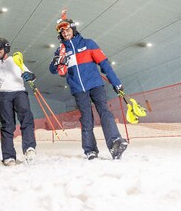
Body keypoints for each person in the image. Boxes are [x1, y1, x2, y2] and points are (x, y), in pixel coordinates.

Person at [49, 14, 128, 160]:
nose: (65, 33)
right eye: (62, 32)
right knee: (86, 119)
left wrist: (115, 82)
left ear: (73, 29)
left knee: (104, 112)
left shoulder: (88, 43)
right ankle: (90, 150)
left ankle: (115, 143)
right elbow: (53, 70)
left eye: (67, 30)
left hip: (95, 84)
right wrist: (58, 62)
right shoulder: (61, 50)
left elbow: (104, 64)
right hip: (78, 89)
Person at [0, 37, 37, 166]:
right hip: (2, 94)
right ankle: (9, 156)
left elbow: (30, 73)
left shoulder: (15, 60)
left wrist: (30, 76)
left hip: (19, 92)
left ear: (6, 48)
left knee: (26, 118)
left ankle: (29, 148)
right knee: (7, 124)